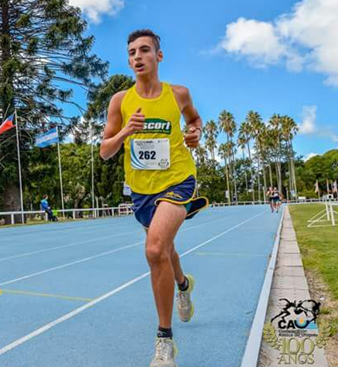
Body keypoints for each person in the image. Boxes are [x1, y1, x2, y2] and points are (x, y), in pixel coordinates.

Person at [100, 29, 209, 367]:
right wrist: (124, 132)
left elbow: (194, 120)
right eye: (132, 51)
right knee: (165, 249)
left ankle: (165, 341)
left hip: (178, 178)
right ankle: (183, 284)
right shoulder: (120, 101)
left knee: (153, 249)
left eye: (145, 50)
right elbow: (105, 151)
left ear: (158, 56)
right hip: (142, 191)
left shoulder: (178, 94)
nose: (137, 56)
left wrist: (195, 134)